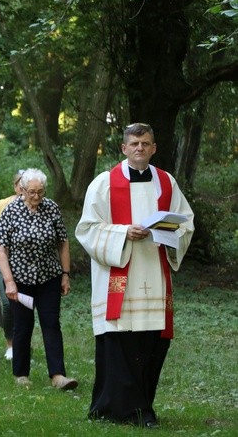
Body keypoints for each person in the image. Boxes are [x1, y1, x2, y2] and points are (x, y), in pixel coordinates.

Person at [75, 122, 194, 428]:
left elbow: (185, 224)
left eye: (146, 143)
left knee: (151, 343)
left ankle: (141, 405)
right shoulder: (103, 184)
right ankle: (116, 408)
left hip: (154, 275)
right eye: (134, 143)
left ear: (154, 148)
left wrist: (164, 231)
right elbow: (87, 229)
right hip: (117, 278)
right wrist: (123, 232)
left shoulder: (167, 183)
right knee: (119, 343)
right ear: (124, 148)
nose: (140, 148)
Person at [0, 168, 77, 391]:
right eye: (31, 192)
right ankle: (21, 374)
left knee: (51, 324)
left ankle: (58, 375)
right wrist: (9, 281)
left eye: (40, 192)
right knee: (23, 326)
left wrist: (65, 275)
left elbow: (63, 242)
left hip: (48, 277)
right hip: (19, 279)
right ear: (22, 190)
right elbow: (2, 250)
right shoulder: (11, 211)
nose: (36, 196)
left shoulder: (51, 208)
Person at [0, 169, 25, 360]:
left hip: (28, 264)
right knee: (8, 302)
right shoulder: (2, 205)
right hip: (0, 261)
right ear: (15, 185)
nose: (23, 186)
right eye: (20, 182)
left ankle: (22, 343)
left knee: (24, 304)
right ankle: (10, 344)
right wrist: (4, 243)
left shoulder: (40, 205)